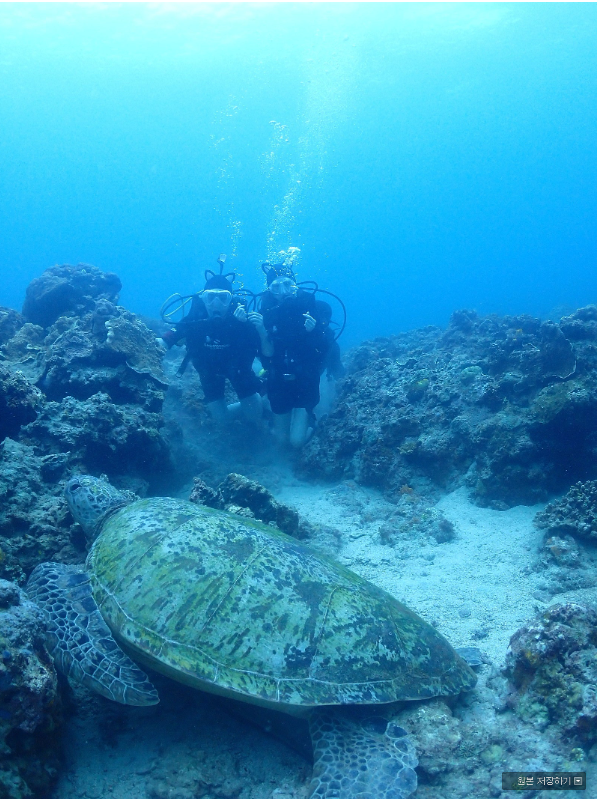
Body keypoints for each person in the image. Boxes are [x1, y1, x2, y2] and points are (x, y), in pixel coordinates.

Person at [160, 268, 270, 425]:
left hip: (239, 370)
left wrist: (251, 326)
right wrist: (155, 344)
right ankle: (256, 402)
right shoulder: (194, 319)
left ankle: (264, 391)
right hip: (209, 372)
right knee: (221, 419)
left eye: (223, 298)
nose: (216, 304)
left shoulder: (242, 321)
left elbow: (265, 352)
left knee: (254, 417)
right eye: (210, 297)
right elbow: (169, 338)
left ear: (231, 300)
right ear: (203, 298)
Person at [258, 263, 334, 447]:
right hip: (278, 379)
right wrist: (260, 328)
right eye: (276, 287)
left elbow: (324, 348)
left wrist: (314, 331)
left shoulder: (314, 308)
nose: (283, 291)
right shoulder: (266, 314)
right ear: (269, 290)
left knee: (296, 442)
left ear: (295, 285)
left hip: (306, 377)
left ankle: (312, 421)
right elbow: (267, 353)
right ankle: (271, 410)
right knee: (281, 440)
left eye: (288, 285)